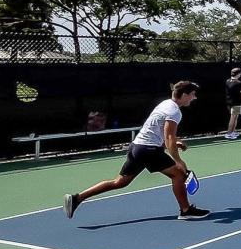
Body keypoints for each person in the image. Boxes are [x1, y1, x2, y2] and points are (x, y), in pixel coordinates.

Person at [63, 81, 210, 221]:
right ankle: (186, 210)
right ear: (184, 95)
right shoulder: (175, 111)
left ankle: (77, 198)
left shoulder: (165, 104)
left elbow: (158, 132)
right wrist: (178, 161)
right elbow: (169, 136)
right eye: (192, 94)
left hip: (137, 147)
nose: (194, 98)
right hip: (148, 150)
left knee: (119, 182)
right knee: (178, 174)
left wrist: (173, 143)